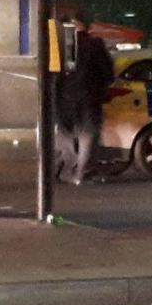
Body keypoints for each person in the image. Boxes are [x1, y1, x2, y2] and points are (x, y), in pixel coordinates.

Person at [56, 17, 114, 185]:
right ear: (87, 26)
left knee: (64, 134)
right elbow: (108, 73)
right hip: (89, 97)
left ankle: (65, 169)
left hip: (63, 98)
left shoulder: (58, 46)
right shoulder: (94, 44)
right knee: (87, 135)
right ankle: (81, 173)